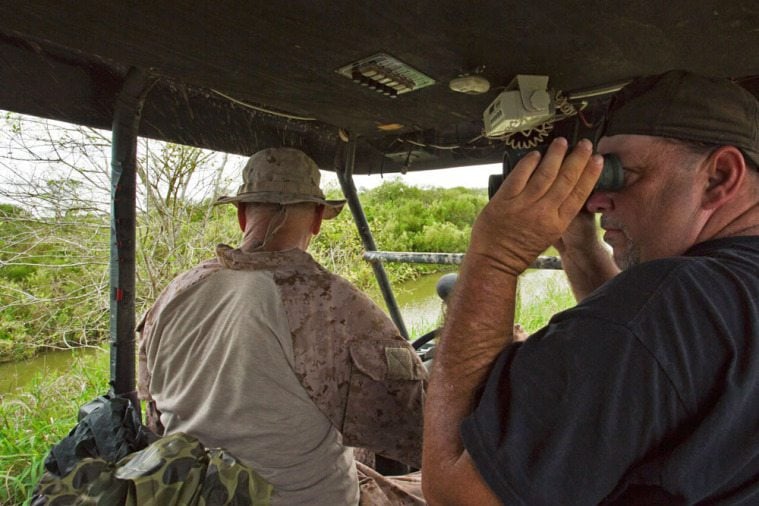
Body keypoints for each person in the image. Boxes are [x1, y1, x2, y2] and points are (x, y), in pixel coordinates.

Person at [422, 70, 759, 504]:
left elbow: (457, 495)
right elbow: (659, 364)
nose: (596, 201)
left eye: (620, 175)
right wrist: (579, 249)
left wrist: (495, 256)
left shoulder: (671, 298)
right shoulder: (722, 295)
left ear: (719, 177)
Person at [137, 147, 427, 505]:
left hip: (191, 492)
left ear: (243, 215)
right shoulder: (331, 301)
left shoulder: (177, 291)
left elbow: (152, 413)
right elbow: (417, 422)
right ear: (318, 218)